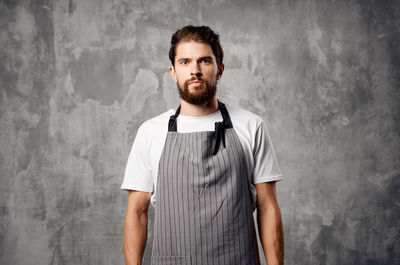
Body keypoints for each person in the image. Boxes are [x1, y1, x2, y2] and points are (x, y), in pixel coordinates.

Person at [121, 25, 284, 265]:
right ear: (173, 72)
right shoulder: (150, 132)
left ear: (219, 70)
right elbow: (137, 212)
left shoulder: (251, 126)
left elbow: (267, 207)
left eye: (204, 61)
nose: (194, 70)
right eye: (185, 62)